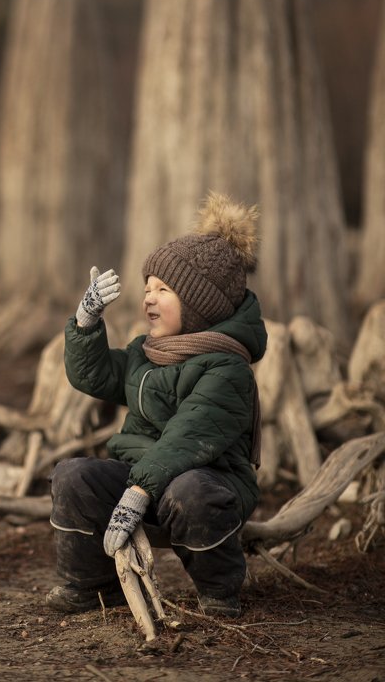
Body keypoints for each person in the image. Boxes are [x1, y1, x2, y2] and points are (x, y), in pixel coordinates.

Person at [46, 191, 267, 619]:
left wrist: (138, 491)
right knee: (74, 476)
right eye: (147, 288)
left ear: (201, 306)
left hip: (210, 481)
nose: (148, 298)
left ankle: (219, 593)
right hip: (141, 477)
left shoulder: (227, 368)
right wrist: (86, 323)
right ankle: (91, 585)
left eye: (163, 289)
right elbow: (93, 376)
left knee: (191, 493)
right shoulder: (147, 352)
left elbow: (189, 435)